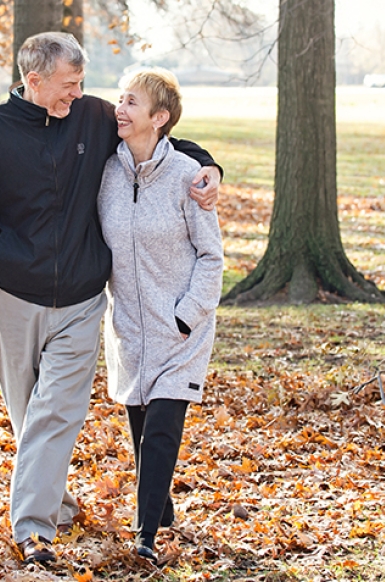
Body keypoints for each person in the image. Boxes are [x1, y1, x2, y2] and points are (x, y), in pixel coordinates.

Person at [0, 32, 221, 565]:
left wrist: (209, 167)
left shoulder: (91, 117)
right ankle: (56, 501)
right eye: (68, 85)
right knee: (29, 417)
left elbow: (160, 140)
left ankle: (33, 531)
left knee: (58, 414)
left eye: (81, 84)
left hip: (80, 300)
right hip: (14, 299)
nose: (78, 94)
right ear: (35, 80)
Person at [97, 69, 224, 563]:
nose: (120, 109)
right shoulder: (105, 172)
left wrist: (187, 314)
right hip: (127, 325)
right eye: (120, 98)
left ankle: (145, 534)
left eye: (132, 102)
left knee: (163, 428)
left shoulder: (188, 177)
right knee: (140, 427)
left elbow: (212, 256)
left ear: (159, 117)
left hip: (180, 329)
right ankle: (162, 506)